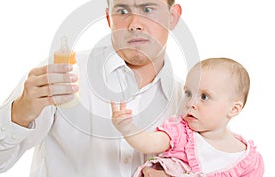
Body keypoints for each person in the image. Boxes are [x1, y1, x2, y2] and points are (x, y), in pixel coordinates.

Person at [0, 0, 184, 177]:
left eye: (148, 9)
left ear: (172, 17)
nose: (135, 24)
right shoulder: (61, 77)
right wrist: (20, 113)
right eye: (122, 11)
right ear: (108, 18)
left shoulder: (189, 102)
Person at [111, 57, 264, 177]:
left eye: (204, 97)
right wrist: (128, 128)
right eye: (188, 93)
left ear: (234, 109)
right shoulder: (181, 132)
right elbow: (150, 143)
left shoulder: (248, 161)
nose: (190, 103)